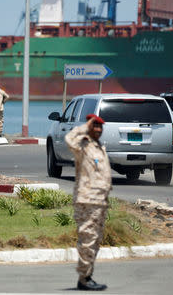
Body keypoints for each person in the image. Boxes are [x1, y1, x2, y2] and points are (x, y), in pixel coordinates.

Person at [65, 114, 112, 291]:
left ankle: (88, 276)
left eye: (101, 127)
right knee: (87, 239)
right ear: (90, 127)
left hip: (99, 202)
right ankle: (84, 279)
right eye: (95, 126)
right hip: (87, 201)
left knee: (95, 240)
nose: (98, 130)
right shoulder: (82, 145)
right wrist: (84, 127)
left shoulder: (98, 147)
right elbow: (68, 139)